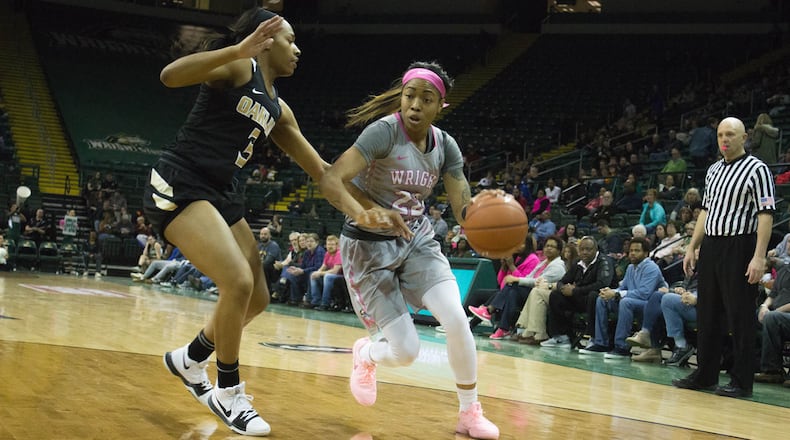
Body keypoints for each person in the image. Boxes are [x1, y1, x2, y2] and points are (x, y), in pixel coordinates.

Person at [144, 8, 331, 436]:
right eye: (290, 39)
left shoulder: (279, 109)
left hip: (222, 193)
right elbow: (170, 76)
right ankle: (227, 390)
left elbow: (321, 171)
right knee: (238, 282)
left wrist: (367, 207)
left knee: (258, 297)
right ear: (264, 40)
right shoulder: (236, 64)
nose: (297, 48)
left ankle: (189, 359)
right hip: (183, 180)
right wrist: (238, 48)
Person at [319, 61, 499, 439]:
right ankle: (366, 354)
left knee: (455, 317)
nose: (415, 105)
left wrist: (489, 216)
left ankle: (469, 413)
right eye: (409, 95)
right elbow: (332, 179)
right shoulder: (383, 132)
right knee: (406, 352)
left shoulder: (445, 145)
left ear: (440, 106)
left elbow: (462, 206)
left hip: (417, 239)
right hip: (368, 250)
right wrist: (365, 213)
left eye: (426, 98)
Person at [673, 117, 775, 399]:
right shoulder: (714, 170)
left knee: (739, 313)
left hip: (740, 244)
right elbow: (705, 210)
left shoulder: (757, 169)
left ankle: (742, 381)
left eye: (730, 134)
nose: (724, 139)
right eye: (720, 134)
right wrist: (693, 246)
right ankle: (705, 374)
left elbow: (766, 214)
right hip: (712, 246)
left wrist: (759, 257)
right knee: (708, 312)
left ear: (744, 138)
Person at [580, 237, 665, 359]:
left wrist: (616, 294)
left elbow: (645, 293)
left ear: (646, 253)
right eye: (631, 250)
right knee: (601, 299)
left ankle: (622, 347)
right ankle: (601, 343)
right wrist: (610, 291)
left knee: (626, 302)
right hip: (633, 301)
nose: (633, 253)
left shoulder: (651, 267)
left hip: (650, 305)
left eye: (637, 250)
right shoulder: (631, 268)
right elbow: (623, 287)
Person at [541, 236, 614, 349]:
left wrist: (575, 290)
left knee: (593, 295)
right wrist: (563, 288)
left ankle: (592, 337)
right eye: (582, 249)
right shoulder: (578, 263)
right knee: (556, 295)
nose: (585, 252)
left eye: (588, 249)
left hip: (600, 300)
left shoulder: (604, 262)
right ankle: (562, 336)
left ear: (595, 250)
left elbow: (602, 283)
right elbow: (562, 281)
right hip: (580, 298)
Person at [754, 261, 790, 387]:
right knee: (747, 315)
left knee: (772, 318)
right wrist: (764, 306)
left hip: (783, 315)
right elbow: (773, 294)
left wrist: (774, 312)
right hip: (776, 314)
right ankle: (740, 363)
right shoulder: (784, 269)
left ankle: (772, 370)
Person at [308, 234, 343, 310]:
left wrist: (320, 273)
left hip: (341, 276)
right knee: (313, 275)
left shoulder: (339, 253)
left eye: (332, 244)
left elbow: (335, 271)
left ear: (337, 245)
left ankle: (325, 303)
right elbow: (323, 266)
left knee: (328, 276)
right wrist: (317, 272)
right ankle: (315, 301)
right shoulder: (327, 253)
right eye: (328, 244)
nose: (330, 246)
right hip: (332, 276)